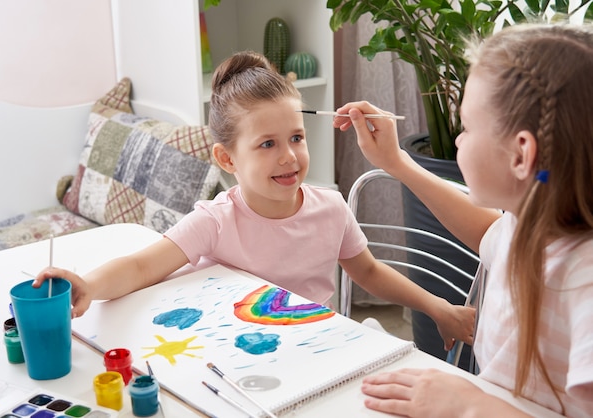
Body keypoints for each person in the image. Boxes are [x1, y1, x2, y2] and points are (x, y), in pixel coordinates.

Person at [33, 51, 473, 351]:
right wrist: (88, 286)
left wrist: (438, 308)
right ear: (227, 158)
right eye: (267, 144)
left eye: (296, 138)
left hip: (313, 347)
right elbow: (143, 266)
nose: (289, 156)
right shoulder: (216, 220)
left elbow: (370, 272)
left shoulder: (332, 208)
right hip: (232, 356)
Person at [333, 23, 593, 417]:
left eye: (467, 128)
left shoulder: (584, 281)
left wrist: (468, 405)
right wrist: (396, 163)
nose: (457, 140)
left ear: (521, 155)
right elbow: (489, 232)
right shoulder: (527, 222)